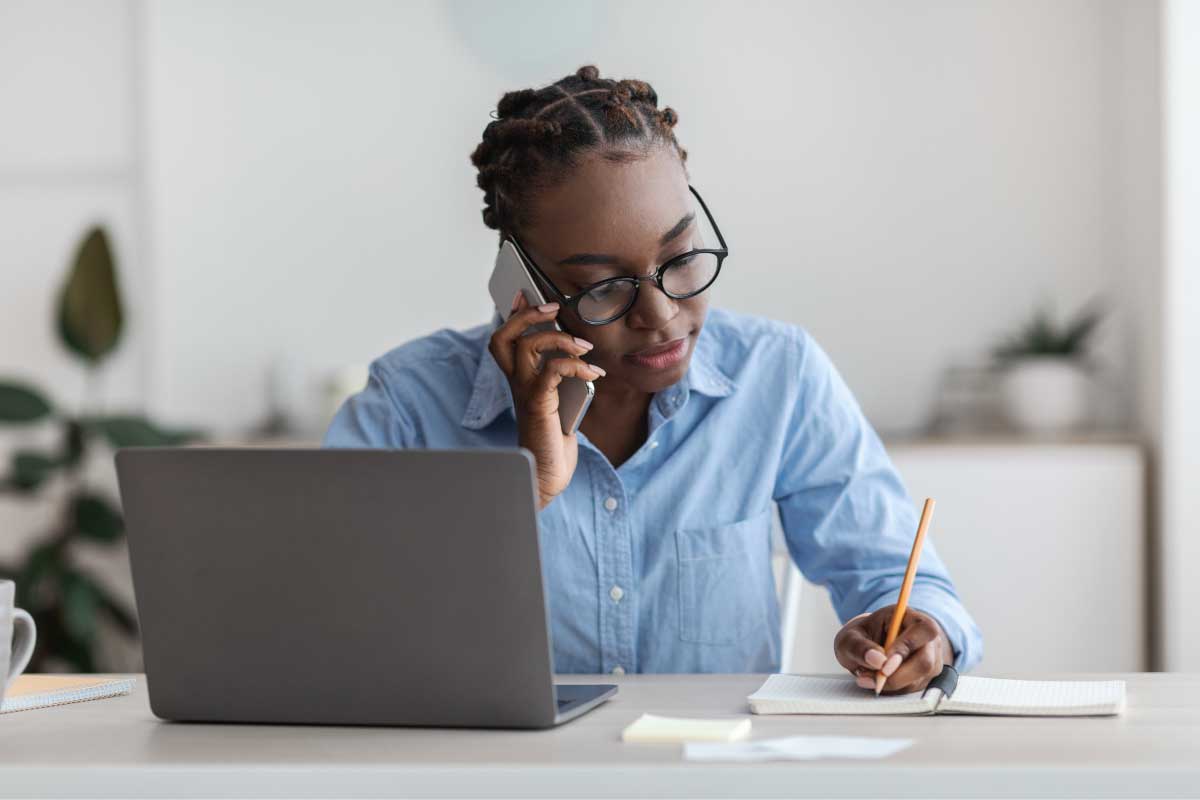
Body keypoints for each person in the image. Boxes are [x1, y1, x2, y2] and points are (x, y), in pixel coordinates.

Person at [324, 65, 982, 691]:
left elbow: (895, 577)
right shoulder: (409, 404)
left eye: (682, 256)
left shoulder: (777, 375)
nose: (661, 315)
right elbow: (333, 630)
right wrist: (523, 490)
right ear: (519, 288)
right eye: (604, 285)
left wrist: (920, 634)